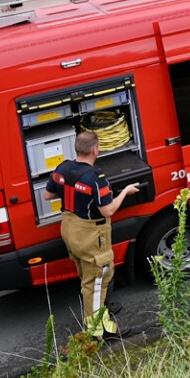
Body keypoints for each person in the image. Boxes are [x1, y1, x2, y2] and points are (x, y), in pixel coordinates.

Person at [46, 130, 141, 341]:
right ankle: (100, 331)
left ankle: (101, 309)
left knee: (86, 275)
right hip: (91, 235)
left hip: (70, 230)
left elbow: (48, 194)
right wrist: (125, 191)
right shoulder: (96, 179)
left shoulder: (62, 168)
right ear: (95, 150)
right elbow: (108, 210)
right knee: (98, 279)